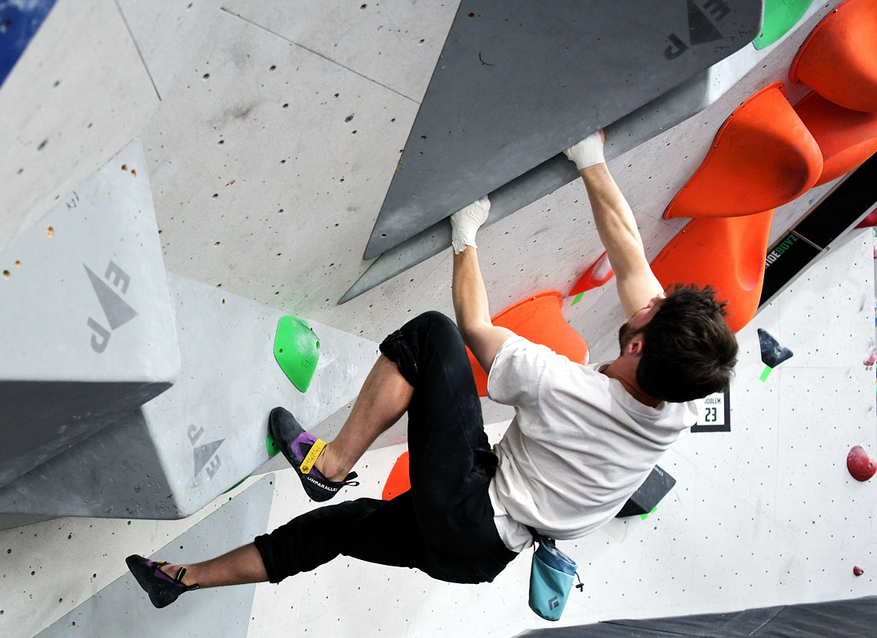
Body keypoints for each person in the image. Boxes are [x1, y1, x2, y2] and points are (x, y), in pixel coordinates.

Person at [127, 130, 739, 609]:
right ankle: (178, 580)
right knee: (336, 531)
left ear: (636, 349)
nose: (649, 299)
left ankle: (332, 463)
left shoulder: (567, 389)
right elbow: (631, 255)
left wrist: (465, 233)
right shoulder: (679, 393)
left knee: (432, 337)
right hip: (479, 557)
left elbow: (473, 325)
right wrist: (589, 160)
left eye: (651, 312)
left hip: (471, 507)